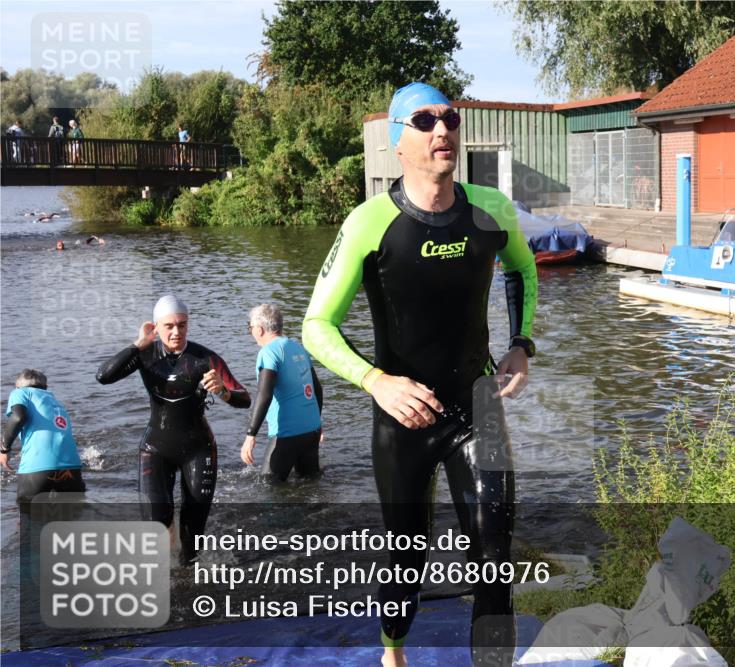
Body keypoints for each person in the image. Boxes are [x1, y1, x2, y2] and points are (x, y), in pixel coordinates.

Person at [302, 82, 537, 667]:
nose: (442, 130)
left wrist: (521, 344)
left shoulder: (492, 210)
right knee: (407, 560)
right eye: (425, 120)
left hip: (477, 404)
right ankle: (393, 652)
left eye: (450, 118)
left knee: (493, 550)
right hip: (402, 416)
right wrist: (376, 381)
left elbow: (523, 274)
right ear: (397, 142)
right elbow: (316, 327)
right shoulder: (369, 222)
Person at [95, 295, 250, 564]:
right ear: (156, 326)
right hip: (156, 448)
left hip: (198, 449)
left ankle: (187, 577)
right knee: (156, 520)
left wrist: (223, 392)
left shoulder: (205, 358)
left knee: (193, 540)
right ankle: (167, 553)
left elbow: (244, 398)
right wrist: (138, 344)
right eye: (169, 326)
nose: (176, 332)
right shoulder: (145, 354)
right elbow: (104, 376)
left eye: (182, 324)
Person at [241, 303, 324, 482]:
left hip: (287, 434)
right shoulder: (298, 347)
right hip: (312, 431)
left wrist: (251, 435)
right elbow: (318, 389)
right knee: (309, 485)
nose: (251, 331)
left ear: (260, 329)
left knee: (268, 488)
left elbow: (264, 395)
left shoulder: (268, 352)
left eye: (250, 327)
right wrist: (318, 423)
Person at [2, 369, 86, 512]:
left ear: (17, 386)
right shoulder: (55, 402)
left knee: (28, 522)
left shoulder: (21, 393)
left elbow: (17, 417)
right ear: (45, 387)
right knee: (71, 523)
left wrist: (4, 449)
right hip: (72, 470)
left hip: (38, 469)